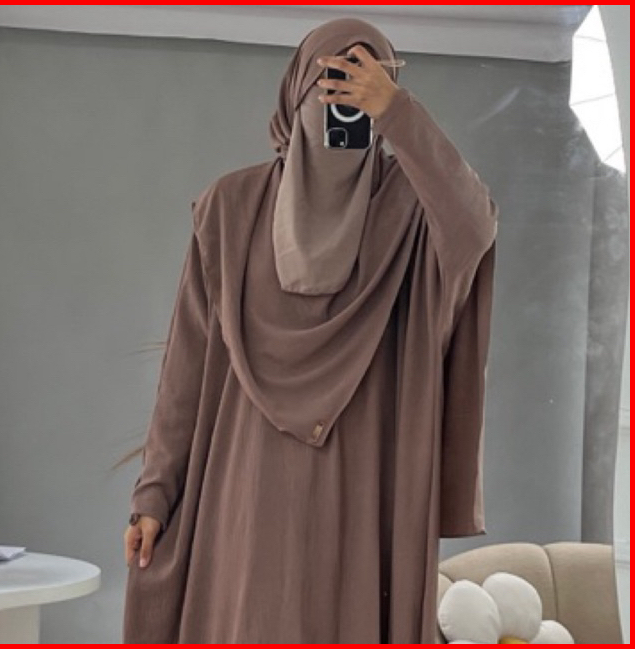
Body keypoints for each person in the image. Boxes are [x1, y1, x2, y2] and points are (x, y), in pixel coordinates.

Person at [122, 17, 498, 644]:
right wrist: (153, 496)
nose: (346, 101)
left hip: (362, 485)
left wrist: (397, 113)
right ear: (296, 92)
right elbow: (185, 371)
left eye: (365, 83)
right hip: (244, 488)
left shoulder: (409, 211)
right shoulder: (230, 210)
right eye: (333, 82)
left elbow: (474, 226)